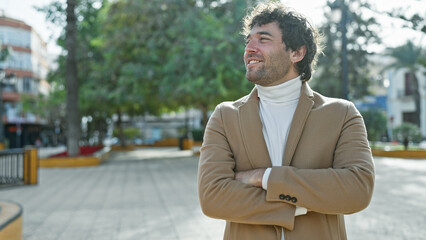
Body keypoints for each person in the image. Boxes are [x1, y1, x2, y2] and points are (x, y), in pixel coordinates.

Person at [197, 2, 375, 240]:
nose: (249, 48)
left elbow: (357, 190)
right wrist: (298, 205)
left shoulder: (342, 114)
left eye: (263, 39)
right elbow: (213, 198)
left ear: (297, 53)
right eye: (248, 40)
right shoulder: (225, 116)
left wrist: (264, 177)